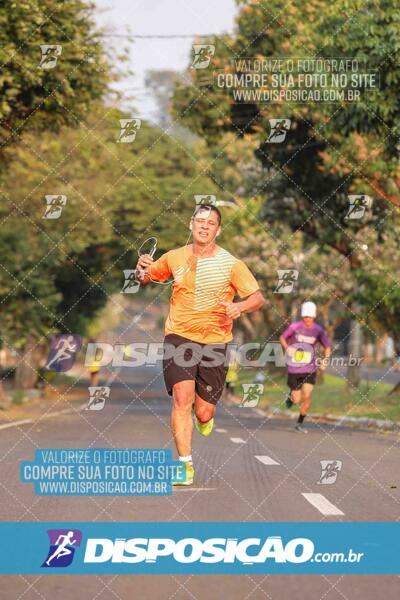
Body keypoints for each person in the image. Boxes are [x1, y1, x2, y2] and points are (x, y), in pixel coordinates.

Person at [135, 204, 264, 484]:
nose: (204, 226)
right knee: (182, 399)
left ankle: (205, 419)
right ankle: (185, 466)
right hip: (179, 337)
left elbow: (257, 298)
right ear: (191, 225)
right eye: (200, 220)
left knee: (204, 411)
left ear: (218, 230)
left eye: (211, 222)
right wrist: (140, 270)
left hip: (216, 342)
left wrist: (239, 308)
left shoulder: (231, 263)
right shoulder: (174, 257)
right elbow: (146, 278)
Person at [279, 301, 331, 433]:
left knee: (307, 396)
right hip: (294, 368)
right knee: (297, 400)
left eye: (310, 316)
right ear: (303, 316)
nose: (307, 319)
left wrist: (325, 360)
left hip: (310, 368)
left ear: (314, 317)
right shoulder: (295, 326)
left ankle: (300, 423)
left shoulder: (318, 330)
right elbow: (282, 337)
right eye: (305, 316)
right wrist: (287, 348)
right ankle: (291, 396)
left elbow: (327, 347)